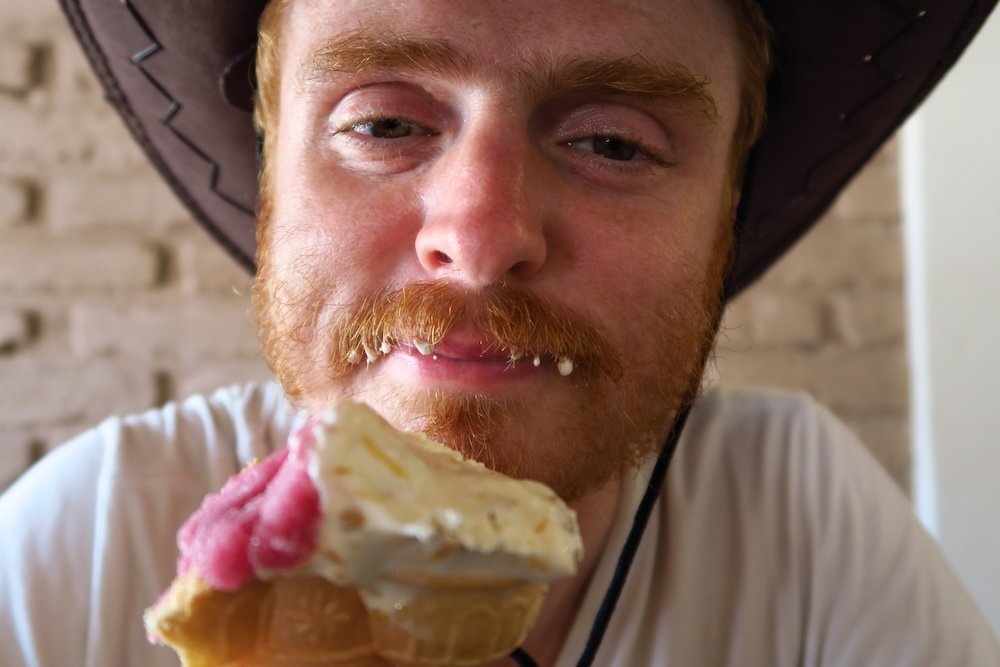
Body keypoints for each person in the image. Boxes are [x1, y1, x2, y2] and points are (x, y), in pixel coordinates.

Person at [2, 0, 999, 665]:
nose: (478, 240)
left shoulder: (802, 526)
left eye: (612, 142)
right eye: (385, 125)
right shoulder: (79, 559)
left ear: (723, 214)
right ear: (272, 178)